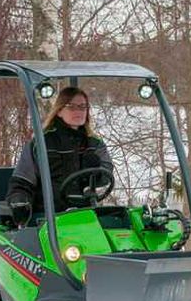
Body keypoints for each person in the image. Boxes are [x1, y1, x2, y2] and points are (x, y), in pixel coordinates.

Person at [6, 87, 114, 222]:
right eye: (72, 107)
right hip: (47, 218)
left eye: (83, 107)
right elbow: (22, 181)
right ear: (59, 110)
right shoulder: (41, 143)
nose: (79, 111)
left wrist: (96, 174)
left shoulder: (94, 144)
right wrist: (19, 201)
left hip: (85, 215)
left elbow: (106, 175)